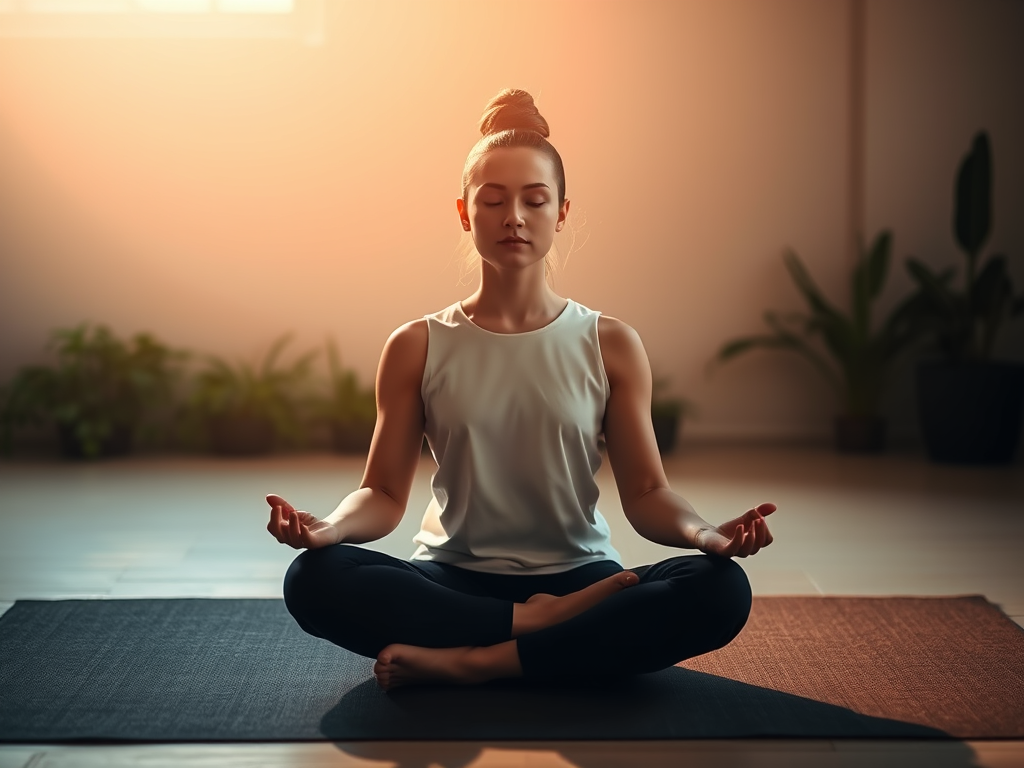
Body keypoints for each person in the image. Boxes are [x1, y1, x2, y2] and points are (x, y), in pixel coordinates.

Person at [266, 87, 775, 691]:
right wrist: (327, 529)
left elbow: (646, 493)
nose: (514, 218)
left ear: (561, 212)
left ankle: (480, 660)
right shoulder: (417, 344)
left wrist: (707, 535)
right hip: (451, 580)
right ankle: (540, 636)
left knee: (721, 590)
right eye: (493, 200)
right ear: (464, 212)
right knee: (313, 579)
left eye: (535, 201)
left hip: (581, 580)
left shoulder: (609, 342)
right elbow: (380, 493)